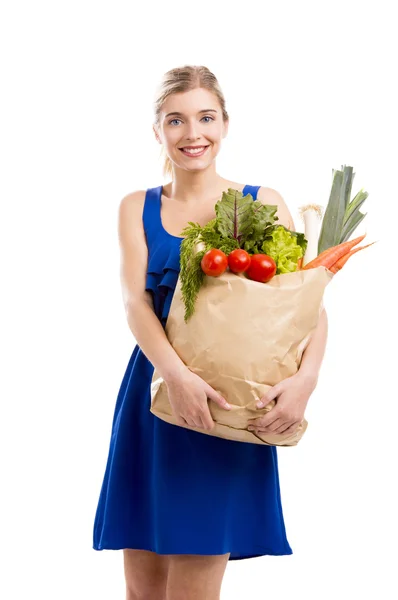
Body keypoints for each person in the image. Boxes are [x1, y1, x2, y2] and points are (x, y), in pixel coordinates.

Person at [92, 65, 328, 600]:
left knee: (195, 587)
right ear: (158, 131)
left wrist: (305, 381)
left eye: (205, 117)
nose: (192, 133)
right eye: (176, 120)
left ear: (225, 123)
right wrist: (174, 375)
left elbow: (303, 303)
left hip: (225, 404)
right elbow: (134, 303)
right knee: (142, 590)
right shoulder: (137, 206)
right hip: (154, 397)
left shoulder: (260, 201)